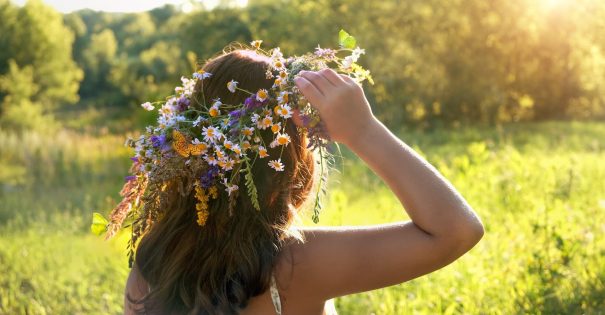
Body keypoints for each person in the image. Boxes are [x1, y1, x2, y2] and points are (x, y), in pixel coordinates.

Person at [123, 48, 484, 315]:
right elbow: (457, 231)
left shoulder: (152, 262)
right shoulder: (297, 266)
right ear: (289, 156)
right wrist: (363, 131)